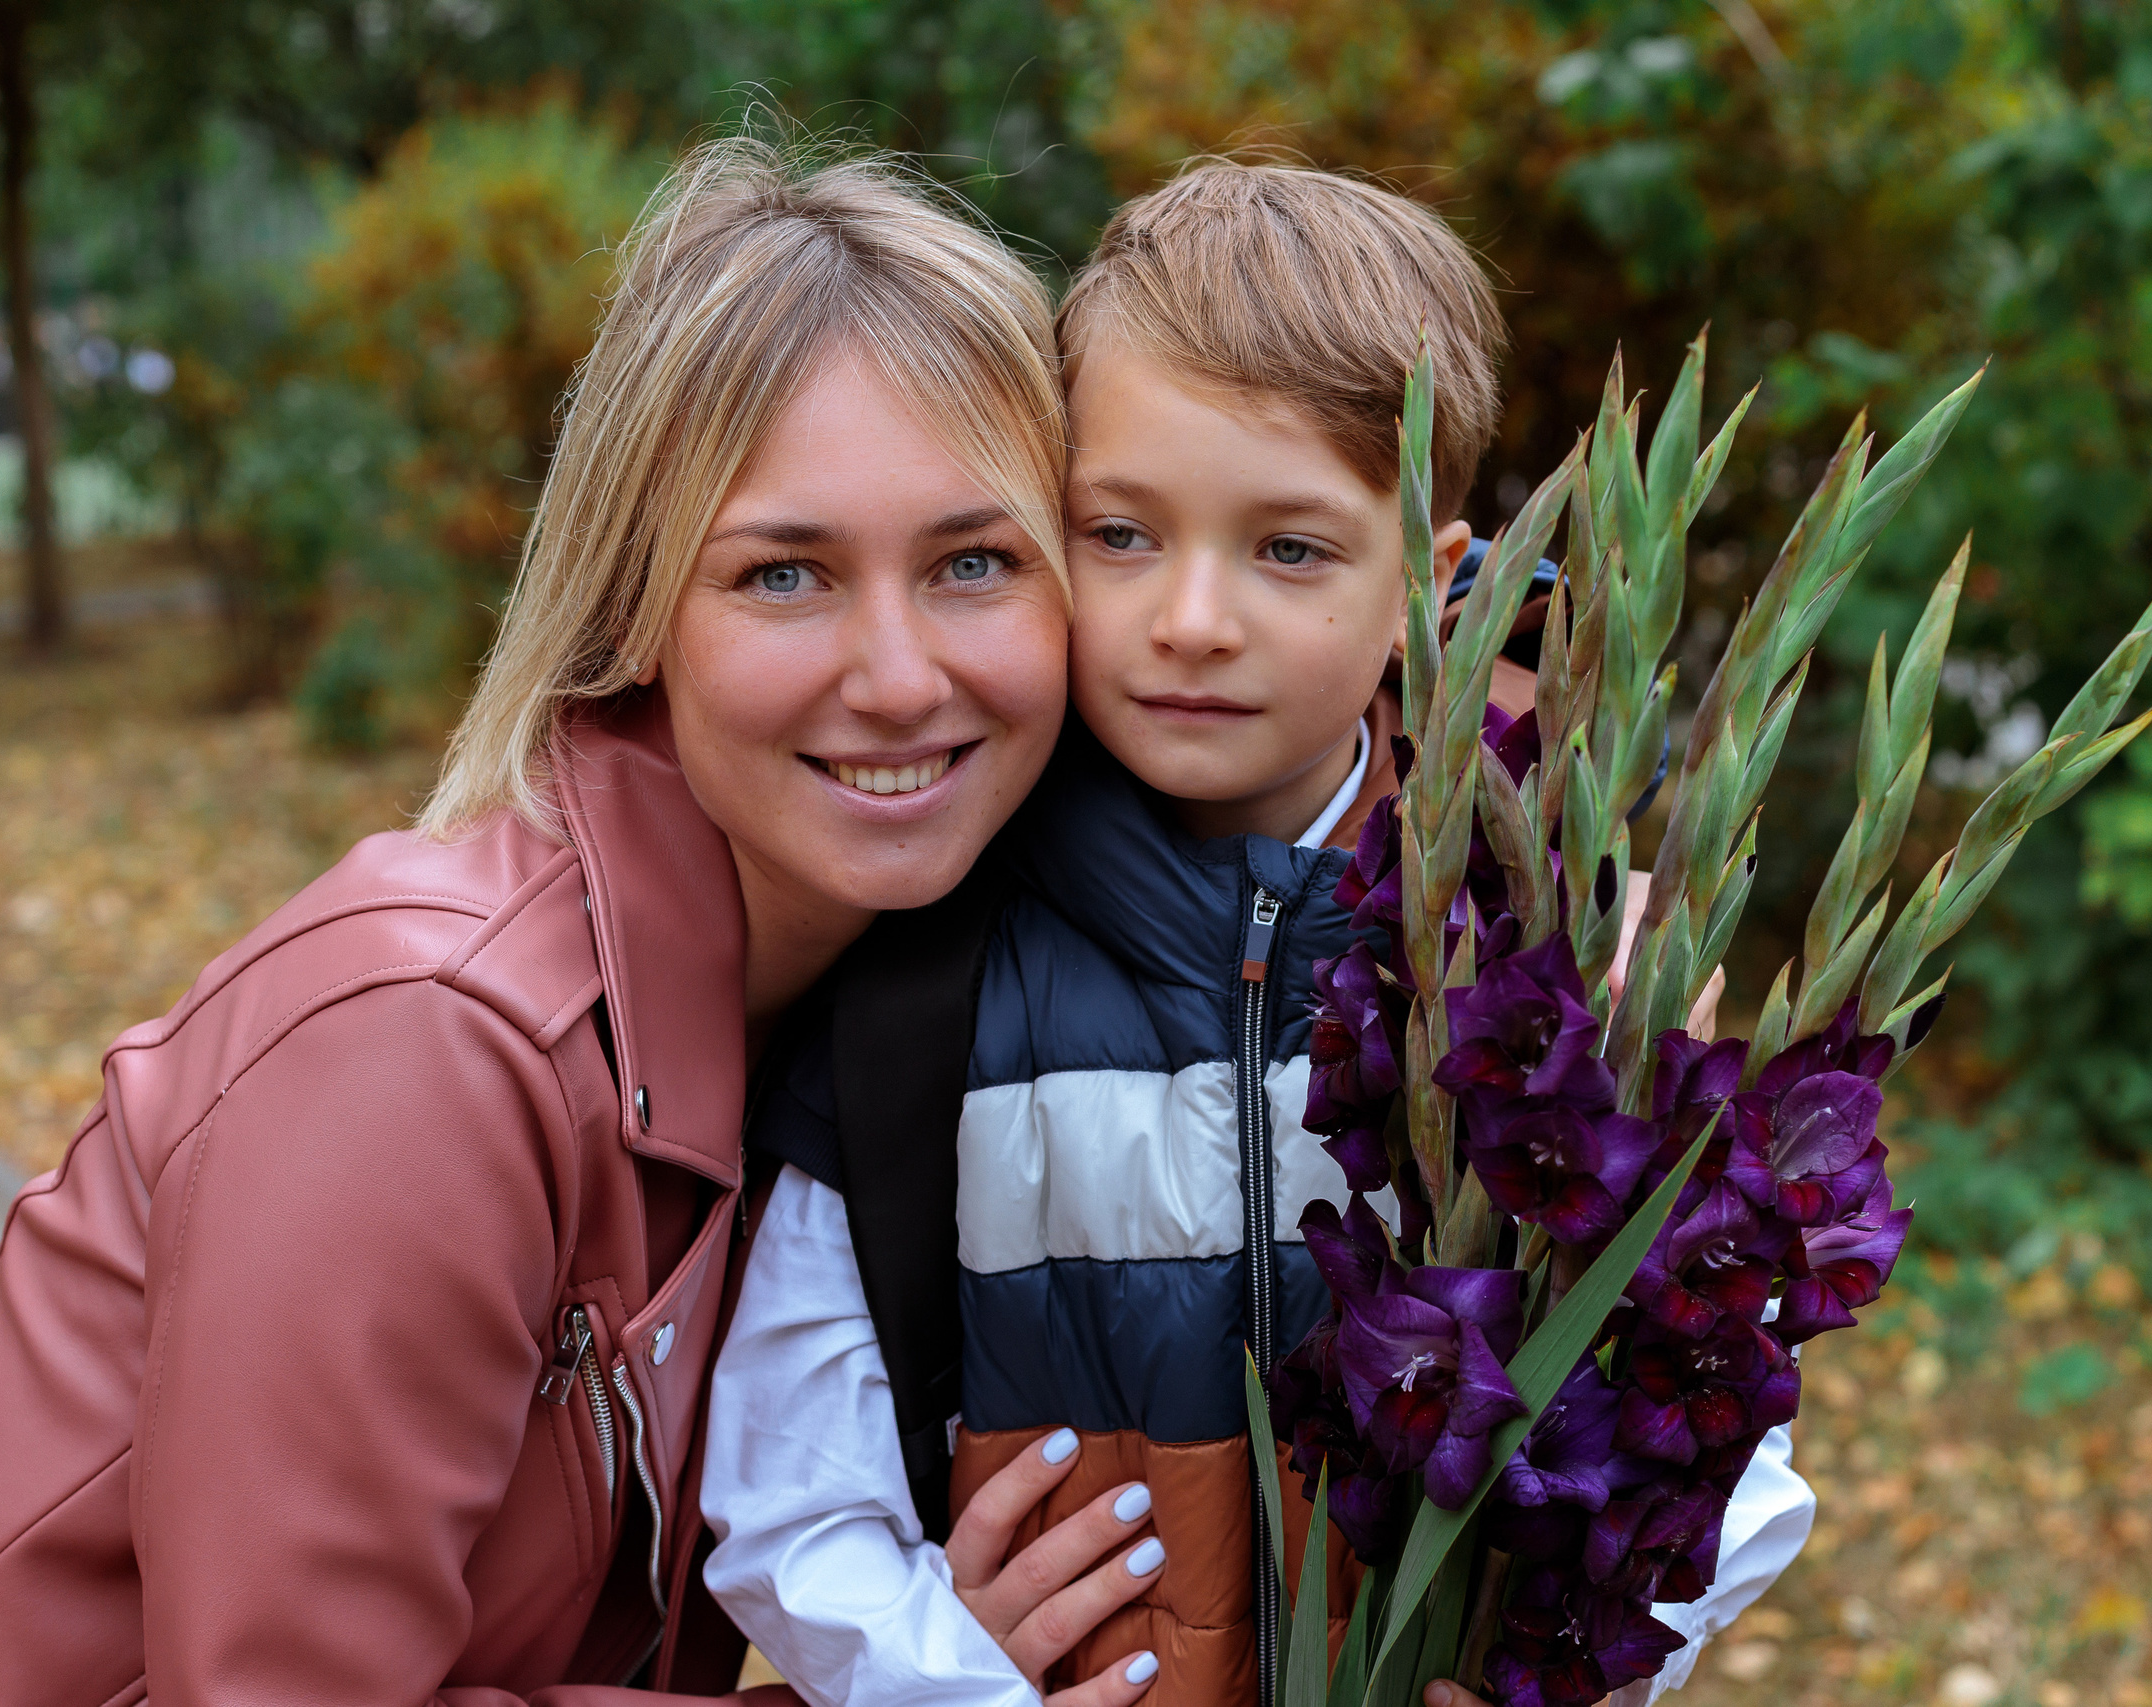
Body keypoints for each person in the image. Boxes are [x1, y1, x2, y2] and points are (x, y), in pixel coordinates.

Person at [0, 136, 1149, 1707]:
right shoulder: (431, 1045)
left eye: (974, 562)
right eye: (783, 577)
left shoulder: (893, 1013)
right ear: (637, 612)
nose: (898, 674)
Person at [699, 162, 1812, 1707]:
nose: (1194, 619)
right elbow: (787, 1492)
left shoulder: (1538, 974)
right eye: (1122, 535)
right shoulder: (934, 953)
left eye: (1289, 549)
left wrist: (1566, 1665)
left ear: (1431, 593)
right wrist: (947, 1676)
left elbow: (1729, 1444)